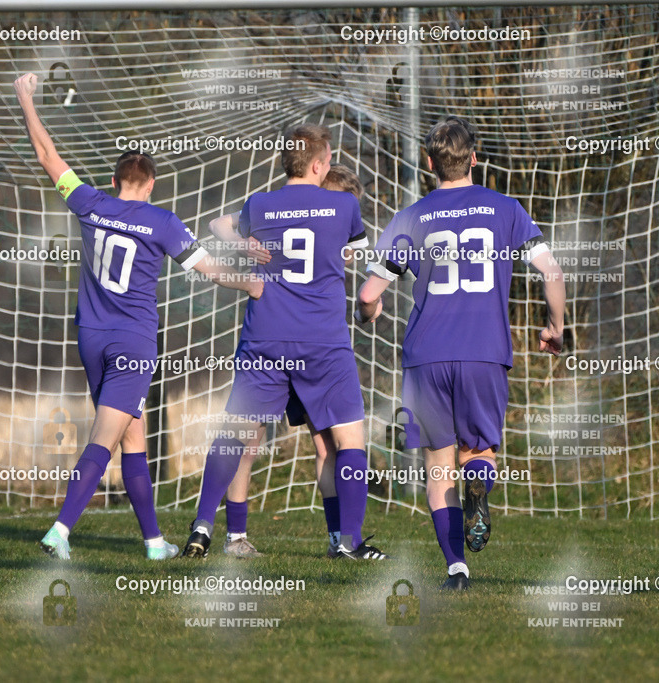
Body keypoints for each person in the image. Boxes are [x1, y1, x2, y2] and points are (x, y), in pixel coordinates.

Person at [13, 72, 263, 560]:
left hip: (90, 338)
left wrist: (26, 99)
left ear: (114, 181)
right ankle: (60, 530)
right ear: (150, 185)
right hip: (133, 342)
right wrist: (250, 281)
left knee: (132, 436)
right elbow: (208, 269)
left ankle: (153, 543)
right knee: (105, 438)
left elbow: (47, 156)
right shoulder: (162, 220)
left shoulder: (90, 202)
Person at [357, 116, 565, 590]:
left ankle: (456, 569)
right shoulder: (506, 208)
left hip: (426, 356)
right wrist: (555, 327)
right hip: (483, 352)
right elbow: (551, 272)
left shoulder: (411, 216)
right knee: (479, 452)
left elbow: (370, 295)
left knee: (437, 467)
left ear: (429, 163)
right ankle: (479, 485)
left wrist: (367, 313)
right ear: (474, 158)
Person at [185, 126, 384, 561]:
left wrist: (243, 245)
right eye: (328, 159)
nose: (330, 166)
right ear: (317, 165)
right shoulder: (345, 204)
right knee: (348, 441)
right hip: (322, 341)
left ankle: (202, 528)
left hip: (266, 336)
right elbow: (351, 260)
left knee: (236, 435)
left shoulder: (259, 204)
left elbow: (224, 228)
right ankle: (347, 542)